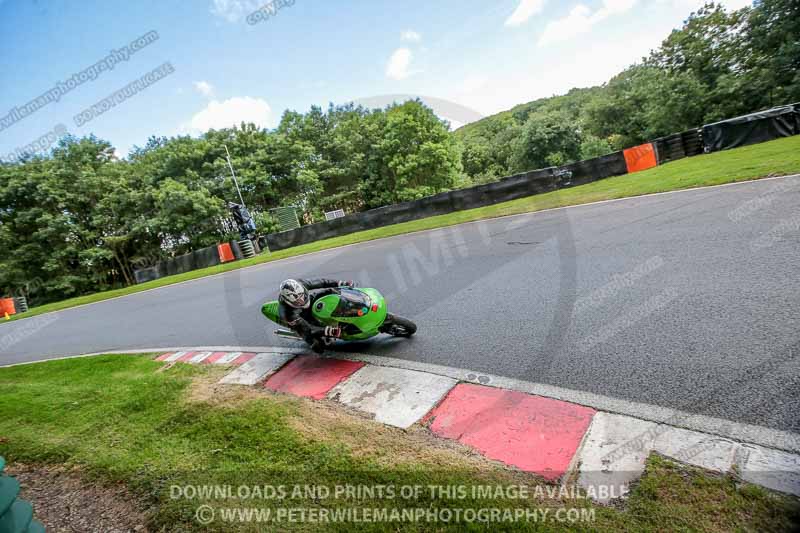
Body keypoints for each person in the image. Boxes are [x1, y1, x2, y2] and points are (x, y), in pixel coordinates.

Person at [278, 278, 356, 352]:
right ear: (289, 302)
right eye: (298, 301)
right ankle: (311, 341)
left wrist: (341, 283)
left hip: (307, 299)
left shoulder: (301, 285)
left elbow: (322, 282)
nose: (302, 301)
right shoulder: (287, 313)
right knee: (318, 347)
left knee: (330, 291)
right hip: (299, 318)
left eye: (303, 296)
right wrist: (326, 330)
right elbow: (308, 329)